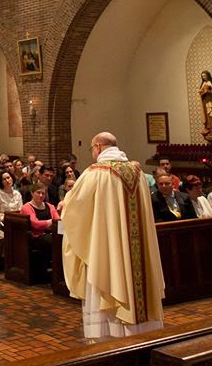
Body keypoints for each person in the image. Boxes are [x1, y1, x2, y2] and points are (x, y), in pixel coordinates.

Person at [62, 132, 164, 339]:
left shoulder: (96, 172)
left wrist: (65, 204)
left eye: (92, 149)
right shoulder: (138, 172)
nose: (92, 153)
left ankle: (111, 332)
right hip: (137, 245)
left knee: (110, 273)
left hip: (109, 244)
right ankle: (144, 330)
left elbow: (76, 205)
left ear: (98, 147)